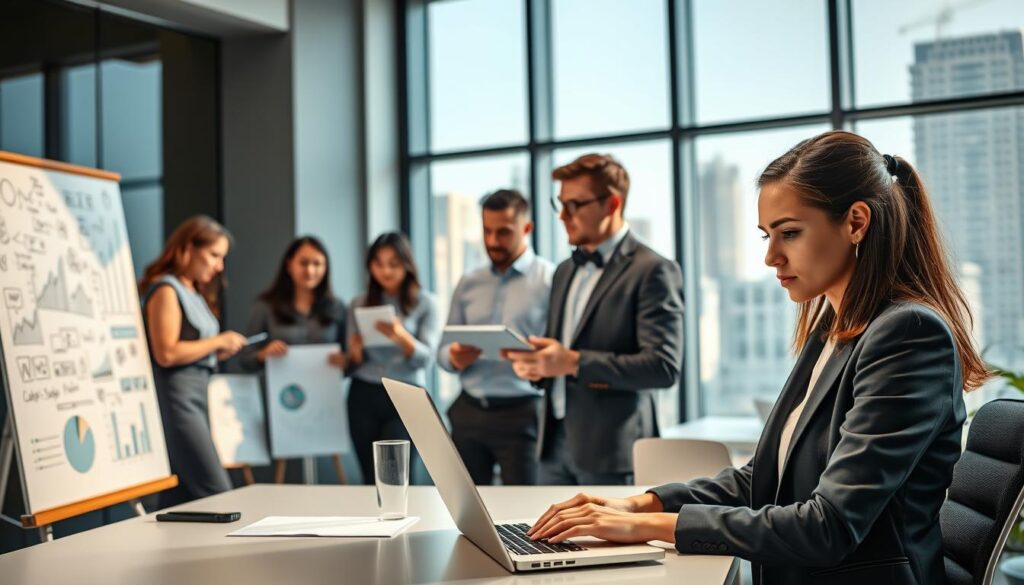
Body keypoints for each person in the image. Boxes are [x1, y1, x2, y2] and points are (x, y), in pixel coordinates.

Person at [524, 131, 988, 585]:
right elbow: (764, 479)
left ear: (856, 222)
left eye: (789, 233)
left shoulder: (909, 334)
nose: (770, 257)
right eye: (767, 234)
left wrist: (645, 529)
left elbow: (826, 527)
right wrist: (641, 504)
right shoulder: (834, 326)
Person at [504, 153, 684, 486]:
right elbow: (559, 353)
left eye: (575, 205)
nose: (563, 216)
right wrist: (538, 367)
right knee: (540, 540)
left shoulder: (654, 270)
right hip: (551, 444)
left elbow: (662, 367)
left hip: (611, 453)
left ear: (612, 204)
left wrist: (572, 362)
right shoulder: (564, 271)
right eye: (559, 204)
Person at [438, 189, 554, 486]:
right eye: (487, 231)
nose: (492, 241)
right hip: (468, 412)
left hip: (523, 415)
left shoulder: (549, 281)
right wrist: (452, 356)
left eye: (503, 232)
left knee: (525, 513)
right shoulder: (469, 282)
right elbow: (442, 349)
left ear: (527, 229)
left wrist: (534, 356)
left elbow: (560, 349)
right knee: (465, 511)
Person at [140, 215, 247, 506]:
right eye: (214, 255)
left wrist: (215, 351)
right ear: (188, 248)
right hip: (178, 401)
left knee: (182, 500)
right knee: (218, 493)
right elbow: (166, 353)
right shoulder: (166, 289)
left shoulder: (193, 291)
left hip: (197, 397)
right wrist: (218, 341)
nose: (219, 266)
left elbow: (191, 348)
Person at [239, 236, 348, 482]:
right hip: (283, 403)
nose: (310, 270)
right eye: (304, 263)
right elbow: (244, 357)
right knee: (280, 472)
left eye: (318, 264)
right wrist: (263, 354)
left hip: (325, 403)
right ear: (289, 264)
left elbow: (350, 359)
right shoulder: (266, 306)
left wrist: (345, 361)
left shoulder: (337, 307)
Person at [347, 232, 439, 484]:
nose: (385, 271)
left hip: (406, 392)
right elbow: (351, 363)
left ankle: (407, 524)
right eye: (378, 263)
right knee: (370, 476)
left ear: (407, 265)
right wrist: (354, 352)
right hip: (364, 392)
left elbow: (426, 360)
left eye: (393, 263)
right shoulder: (358, 303)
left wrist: (401, 336)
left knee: (399, 476)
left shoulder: (426, 303)